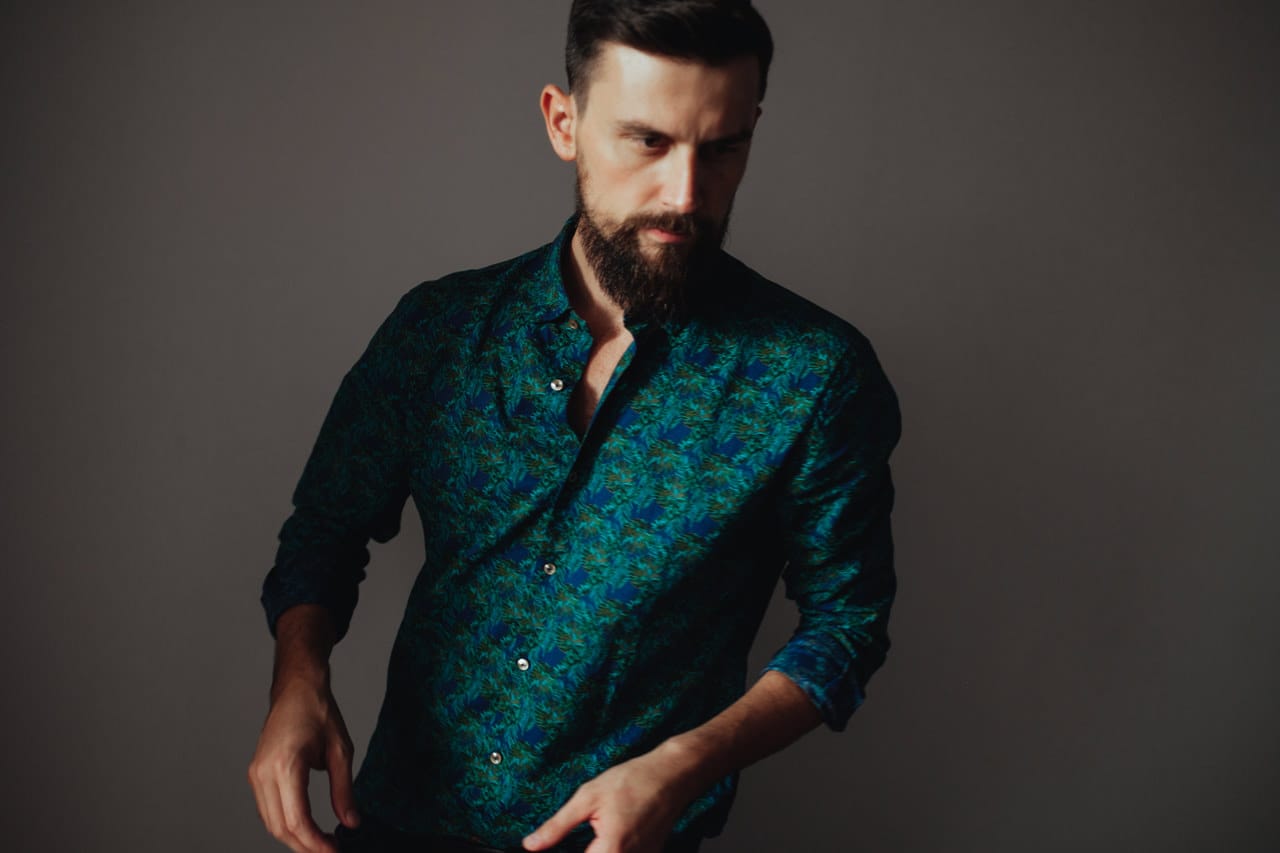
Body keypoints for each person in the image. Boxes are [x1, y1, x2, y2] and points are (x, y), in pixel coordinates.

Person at [248, 2, 902, 852]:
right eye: (648, 141)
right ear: (564, 123)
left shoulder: (815, 376)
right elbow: (325, 527)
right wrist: (297, 679)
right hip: (392, 825)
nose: (686, 194)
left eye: (722, 148)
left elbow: (847, 623)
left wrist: (686, 762)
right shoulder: (439, 332)